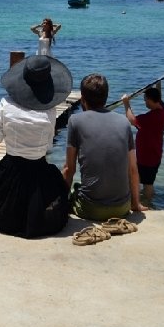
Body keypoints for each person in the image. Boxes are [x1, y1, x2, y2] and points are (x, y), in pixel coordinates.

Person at [0, 55, 72, 237]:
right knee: (57, 184)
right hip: (39, 170)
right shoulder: (50, 111)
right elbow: (47, 146)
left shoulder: (6, 105)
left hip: (11, 170)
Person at [63, 74, 148, 221]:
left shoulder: (75, 121)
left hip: (90, 209)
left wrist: (61, 203)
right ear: (106, 97)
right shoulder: (123, 122)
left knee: (74, 189)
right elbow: (133, 169)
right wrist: (136, 204)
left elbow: (69, 169)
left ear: (82, 99)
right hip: (122, 208)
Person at [121, 87, 164, 201]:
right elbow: (158, 96)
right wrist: (148, 89)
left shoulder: (152, 117)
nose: (145, 102)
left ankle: (147, 204)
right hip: (153, 154)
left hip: (148, 157)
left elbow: (132, 120)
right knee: (137, 178)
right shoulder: (162, 109)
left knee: (147, 184)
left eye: (146, 100)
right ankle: (142, 200)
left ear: (152, 100)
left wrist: (126, 103)